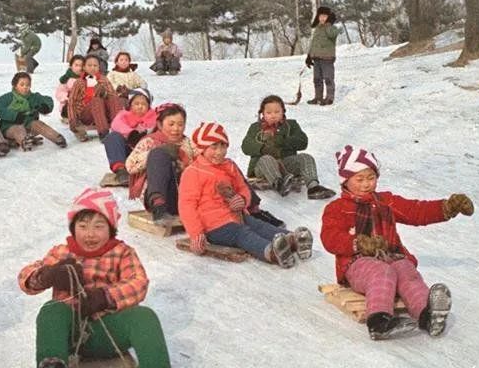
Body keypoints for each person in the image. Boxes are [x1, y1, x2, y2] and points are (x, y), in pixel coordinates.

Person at [18, 188, 184, 368]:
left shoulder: (122, 252)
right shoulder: (62, 252)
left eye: (99, 226)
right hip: (70, 336)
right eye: (83, 226)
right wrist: (48, 275)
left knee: (144, 316)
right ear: (73, 227)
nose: (90, 234)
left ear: (111, 228)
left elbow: (138, 282)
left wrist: (106, 297)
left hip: (109, 333)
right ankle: (52, 367)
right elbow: (25, 279)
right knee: (51, 310)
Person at [321, 146, 474, 340]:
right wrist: (357, 243)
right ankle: (379, 322)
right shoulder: (337, 208)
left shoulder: (386, 201)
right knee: (382, 272)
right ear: (345, 181)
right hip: (357, 264)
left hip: (391, 256)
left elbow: (416, 211)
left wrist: (447, 207)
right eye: (359, 179)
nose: (366, 184)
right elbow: (330, 238)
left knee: (406, 271)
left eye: (371, 178)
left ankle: (428, 316)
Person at [178, 122, 310, 268]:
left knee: (258, 225)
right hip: (213, 227)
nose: (219, 152)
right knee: (242, 234)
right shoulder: (193, 172)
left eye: (223, 146)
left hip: (237, 216)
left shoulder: (229, 165)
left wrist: (242, 199)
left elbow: (243, 187)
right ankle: (271, 252)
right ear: (202, 149)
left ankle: (292, 240)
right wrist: (196, 233)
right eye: (213, 147)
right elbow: (187, 206)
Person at [240, 95, 336, 199]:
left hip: (285, 164)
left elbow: (303, 142)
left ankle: (313, 187)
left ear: (283, 112)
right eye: (269, 113)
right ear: (262, 113)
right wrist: (263, 148)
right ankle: (279, 184)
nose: (273, 115)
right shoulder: (255, 128)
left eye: (277, 112)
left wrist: (283, 141)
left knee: (306, 157)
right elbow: (246, 146)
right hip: (262, 167)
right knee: (266, 159)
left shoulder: (291, 125)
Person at [125, 103, 193, 224]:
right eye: (171, 124)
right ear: (160, 125)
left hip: (182, 195)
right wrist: (158, 152)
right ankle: (159, 206)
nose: (176, 129)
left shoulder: (188, 144)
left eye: (180, 124)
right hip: (158, 195)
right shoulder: (149, 142)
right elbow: (130, 166)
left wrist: (185, 166)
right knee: (159, 154)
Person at [0, 72, 67, 150]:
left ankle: (57, 137)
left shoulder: (33, 97)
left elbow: (47, 100)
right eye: (22, 85)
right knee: (18, 129)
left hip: (28, 125)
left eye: (28, 85)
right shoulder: (7, 98)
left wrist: (45, 106)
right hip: (10, 127)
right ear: (15, 85)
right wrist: (15, 115)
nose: (25, 87)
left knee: (38, 124)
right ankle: (25, 141)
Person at [103, 88, 157, 186]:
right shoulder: (123, 115)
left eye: (144, 104)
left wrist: (144, 134)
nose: (140, 107)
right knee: (112, 138)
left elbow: (153, 130)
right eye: (136, 104)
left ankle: (146, 171)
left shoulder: (153, 117)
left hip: (143, 154)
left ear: (149, 106)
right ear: (130, 105)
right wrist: (131, 133)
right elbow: (117, 125)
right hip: (127, 152)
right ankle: (121, 170)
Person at [67, 55, 123, 142]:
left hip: (103, 112)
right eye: (89, 65)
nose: (92, 68)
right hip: (86, 115)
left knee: (114, 99)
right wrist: (72, 119)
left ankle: (119, 129)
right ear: (84, 67)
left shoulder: (103, 79)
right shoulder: (79, 82)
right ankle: (103, 132)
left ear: (99, 67)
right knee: (96, 100)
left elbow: (112, 95)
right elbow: (71, 102)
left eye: (95, 66)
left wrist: (104, 92)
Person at [306, 6, 339, 105]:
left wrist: (329, 24)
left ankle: (329, 98)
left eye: (325, 16)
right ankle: (318, 97)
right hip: (317, 58)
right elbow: (314, 43)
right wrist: (309, 56)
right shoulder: (317, 28)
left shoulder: (332, 28)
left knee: (328, 78)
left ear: (328, 17)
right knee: (317, 79)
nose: (322, 18)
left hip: (327, 58)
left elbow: (331, 35)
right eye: (321, 16)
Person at [55, 54, 85, 122]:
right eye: (76, 65)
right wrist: (67, 97)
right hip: (69, 103)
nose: (79, 68)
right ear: (71, 66)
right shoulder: (66, 78)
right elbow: (59, 93)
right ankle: (69, 117)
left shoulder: (87, 77)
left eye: (81, 66)